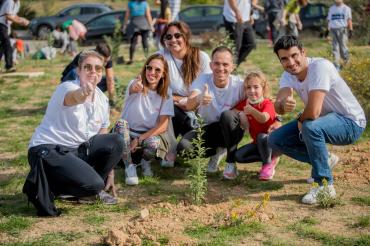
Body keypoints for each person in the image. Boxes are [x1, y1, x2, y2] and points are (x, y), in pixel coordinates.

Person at [268, 35, 366, 204]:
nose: (290, 62)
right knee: (275, 139)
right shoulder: (288, 75)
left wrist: (299, 117)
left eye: (294, 55)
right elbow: (278, 106)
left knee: (310, 126)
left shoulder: (320, 67)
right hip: (324, 120)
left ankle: (324, 186)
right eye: (284, 59)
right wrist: (283, 104)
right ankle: (325, 159)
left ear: (303, 52)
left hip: (351, 122)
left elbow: (313, 112)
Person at [25, 50, 124, 215]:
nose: (93, 72)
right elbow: (73, 98)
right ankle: (58, 185)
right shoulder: (67, 87)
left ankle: (89, 189)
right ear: (79, 71)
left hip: (75, 150)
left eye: (98, 68)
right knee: (94, 184)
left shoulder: (102, 99)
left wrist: (110, 171)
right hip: (49, 150)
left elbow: (102, 133)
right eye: (88, 67)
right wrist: (83, 93)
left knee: (116, 141)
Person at [177, 46, 245, 180]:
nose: (221, 68)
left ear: (233, 67)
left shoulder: (239, 85)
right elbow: (189, 105)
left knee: (227, 115)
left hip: (232, 128)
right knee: (183, 147)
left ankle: (231, 163)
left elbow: (261, 98)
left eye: (225, 64)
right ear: (210, 65)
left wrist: (276, 119)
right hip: (207, 130)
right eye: (217, 63)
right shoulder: (203, 80)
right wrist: (199, 98)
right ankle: (217, 152)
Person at [113, 54, 174, 185]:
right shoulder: (136, 85)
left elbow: (163, 126)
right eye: (149, 68)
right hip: (127, 133)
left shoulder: (166, 94)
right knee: (120, 124)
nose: (152, 72)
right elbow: (133, 87)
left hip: (145, 135)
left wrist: (140, 139)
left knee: (154, 142)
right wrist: (135, 87)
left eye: (157, 70)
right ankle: (129, 167)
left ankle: (146, 163)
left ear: (164, 74)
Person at [158, 21, 212, 167]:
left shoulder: (201, 58)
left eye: (177, 35)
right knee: (168, 107)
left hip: (199, 113)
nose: (173, 40)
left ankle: (217, 149)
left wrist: (188, 101)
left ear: (186, 36)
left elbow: (208, 89)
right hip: (176, 110)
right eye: (168, 37)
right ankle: (170, 150)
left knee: (188, 147)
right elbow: (158, 91)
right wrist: (182, 100)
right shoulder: (161, 58)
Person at [234, 71, 280, 180]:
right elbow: (232, 111)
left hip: (271, 142)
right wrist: (240, 114)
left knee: (262, 137)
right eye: (248, 87)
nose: (252, 91)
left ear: (263, 88)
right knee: (238, 156)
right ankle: (270, 158)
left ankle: (268, 164)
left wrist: (252, 111)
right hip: (257, 143)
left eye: (256, 87)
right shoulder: (246, 103)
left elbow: (263, 118)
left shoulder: (267, 103)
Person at [223, 0, 256, 66]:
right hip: (233, 18)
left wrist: (250, 14)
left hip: (246, 18)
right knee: (236, 47)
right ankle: (229, 67)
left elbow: (251, 2)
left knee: (250, 44)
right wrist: (237, 12)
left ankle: (233, 66)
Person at [0, 0, 29, 72]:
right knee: (7, 44)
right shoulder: (9, 1)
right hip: (1, 24)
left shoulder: (17, 3)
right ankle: (9, 66)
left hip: (6, 25)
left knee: (2, 47)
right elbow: (8, 16)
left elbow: (14, 15)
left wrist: (22, 19)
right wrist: (20, 21)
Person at [123, 0, 154, 64]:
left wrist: (125, 25)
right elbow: (148, 15)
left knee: (133, 42)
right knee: (145, 41)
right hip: (143, 23)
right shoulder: (145, 3)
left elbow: (127, 15)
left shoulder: (130, 3)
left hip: (134, 23)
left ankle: (131, 59)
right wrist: (151, 26)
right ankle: (146, 57)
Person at [327, 0, 353, 70]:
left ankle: (346, 64)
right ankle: (336, 65)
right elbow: (329, 20)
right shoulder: (331, 8)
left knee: (343, 47)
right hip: (333, 29)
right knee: (335, 48)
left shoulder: (346, 8)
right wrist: (327, 31)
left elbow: (349, 20)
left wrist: (351, 30)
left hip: (342, 29)